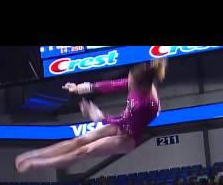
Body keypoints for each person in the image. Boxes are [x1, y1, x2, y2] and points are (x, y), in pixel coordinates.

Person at [15, 59, 166, 173]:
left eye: (131, 82)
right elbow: (112, 85)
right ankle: (33, 154)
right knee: (79, 140)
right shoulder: (140, 83)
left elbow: (124, 121)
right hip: (122, 125)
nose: (128, 84)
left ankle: (35, 164)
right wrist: (79, 88)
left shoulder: (145, 103)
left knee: (83, 151)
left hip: (129, 138)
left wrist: (100, 117)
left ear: (141, 86)